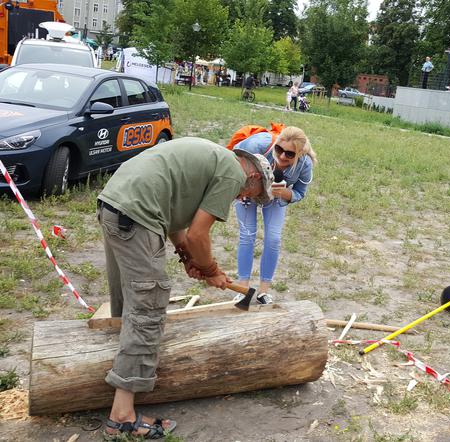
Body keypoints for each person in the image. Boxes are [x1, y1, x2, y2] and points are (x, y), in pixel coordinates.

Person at [99, 137, 274, 439]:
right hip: (137, 213)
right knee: (148, 309)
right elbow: (198, 235)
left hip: (115, 202)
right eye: (251, 195)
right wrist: (210, 270)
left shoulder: (213, 159)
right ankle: (122, 416)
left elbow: (176, 220)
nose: (244, 198)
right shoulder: (233, 172)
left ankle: (107, 367)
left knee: (128, 299)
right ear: (254, 176)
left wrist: (186, 257)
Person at [232, 126, 317, 304]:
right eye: (280, 149)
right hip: (247, 189)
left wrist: (286, 193)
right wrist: (244, 184)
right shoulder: (258, 145)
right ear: (276, 144)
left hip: (276, 196)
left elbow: (300, 192)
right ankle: (243, 289)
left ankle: (263, 292)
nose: (283, 156)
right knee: (247, 235)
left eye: (290, 154)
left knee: (273, 239)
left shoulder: (305, 164)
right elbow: (231, 161)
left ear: (299, 154)